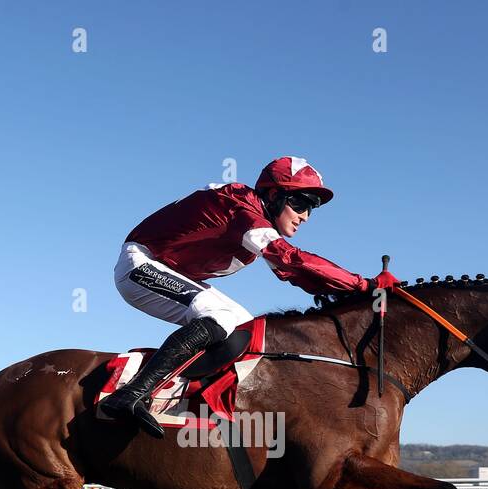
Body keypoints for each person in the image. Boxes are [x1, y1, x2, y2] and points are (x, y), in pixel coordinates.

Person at [100, 156, 400, 437]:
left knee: (244, 327)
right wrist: (364, 285)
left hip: (170, 270)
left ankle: (185, 400)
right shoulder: (242, 208)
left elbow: (295, 275)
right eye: (300, 203)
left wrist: (356, 290)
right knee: (220, 317)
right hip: (140, 264)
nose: (305, 216)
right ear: (272, 196)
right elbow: (291, 260)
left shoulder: (255, 220)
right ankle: (132, 394)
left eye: (313, 208)